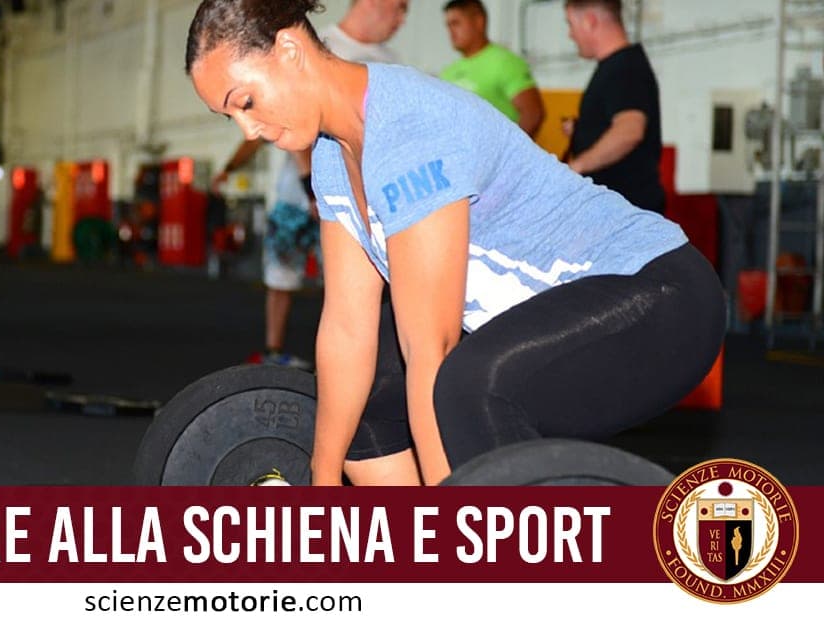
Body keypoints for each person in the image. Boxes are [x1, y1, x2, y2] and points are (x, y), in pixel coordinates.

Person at [185, 0, 725, 485]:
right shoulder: (331, 157)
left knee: (466, 389)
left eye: (246, 101)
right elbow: (347, 327)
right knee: (364, 409)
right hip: (559, 315)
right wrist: (321, 486)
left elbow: (431, 351)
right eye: (229, 115)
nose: (247, 130)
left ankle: (472, 570)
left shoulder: (409, 130)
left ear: (289, 49)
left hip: (659, 296)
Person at [211, 0, 408, 370]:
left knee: (353, 282)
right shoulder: (320, 46)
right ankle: (274, 352)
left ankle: (361, 364)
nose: (402, 19)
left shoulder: (392, 61)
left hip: (363, 192)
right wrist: (310, 189)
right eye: (399, 8)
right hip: (300, 191)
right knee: (282, 273)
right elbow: (286, 124)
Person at [563, 0, 665, 214]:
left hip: (627, 212)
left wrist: (578, 166)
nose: (570, 35)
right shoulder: (616, 67)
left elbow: (629, 131)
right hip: (617, 210)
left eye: (570, 24)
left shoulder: (625, 69)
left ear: (590, 21)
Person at [439, 0, 545, 138]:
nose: (451, 31)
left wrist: (505, 154)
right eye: (448, 25)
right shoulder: (448, 72)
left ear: (479, 22)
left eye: (456, 23)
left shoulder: (506, 62)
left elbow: (533, 113)